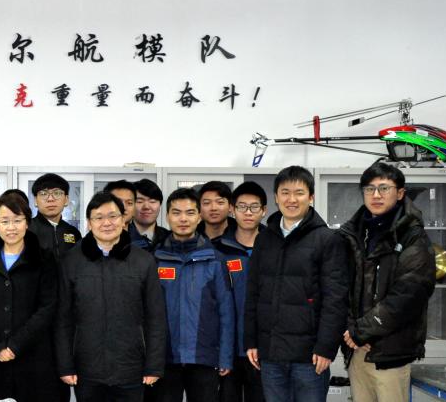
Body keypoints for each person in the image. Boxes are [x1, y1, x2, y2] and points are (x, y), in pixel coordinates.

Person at [244, 166, 348, 402]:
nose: (291, 199)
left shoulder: (327, 239)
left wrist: (326, 347)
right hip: (270, 354)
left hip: (309, 357)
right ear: (276, 197)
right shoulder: (264, 239)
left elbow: (335, 299)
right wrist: (251, 341)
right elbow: (253, 294)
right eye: (285, 192)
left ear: (310, 197)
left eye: (299, 193)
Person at [56, 192, 168, 402]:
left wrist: (154, 366)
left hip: (131, 367)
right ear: (89, 222)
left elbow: (156, 317)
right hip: (87, 368)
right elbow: (63, 318)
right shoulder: (71, 261)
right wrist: (65, 365)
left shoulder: (144, 261)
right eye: (99, 217)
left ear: (124, 219)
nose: (106, 223)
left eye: (113, 216)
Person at [338, 163, 435, 402]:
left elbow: (408, 295)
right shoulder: (352, 234)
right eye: (369, 189)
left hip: (391, 353)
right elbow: (340, 287)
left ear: (400, 193)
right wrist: (351, 331)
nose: (376, 195)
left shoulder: (412, 236)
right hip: (357, 349)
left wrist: (363, 331)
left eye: (384, 188)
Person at [0, 194, 62, 402]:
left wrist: (16, 345)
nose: (11, 227)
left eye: (17, 220)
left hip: (33, 355)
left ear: (27, 223)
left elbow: (47, 307)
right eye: (5, 221)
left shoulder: (44, 259)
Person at [149, 188, 234, 402]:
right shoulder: (154, 259)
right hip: (165, 359)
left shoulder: (215, 259)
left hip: (204, 357)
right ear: (167, 216)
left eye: (189, 212)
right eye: (176, 213)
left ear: (199, 216)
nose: (183, 219)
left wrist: (225, 357)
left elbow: (226, 312)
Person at [216, 182, 268, 402]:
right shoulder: (217, 249)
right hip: (228, 348)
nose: (248, 212)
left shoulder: (274, 248)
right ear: (232, 210)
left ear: (264, 210)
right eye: (242, 207)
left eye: (254, 207)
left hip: (265, 348)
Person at [29, 173, 82, 261]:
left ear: (66, 200)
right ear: (35, 200)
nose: (50, 199)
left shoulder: (73, 232)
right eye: (43, 193)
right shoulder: (26, 230)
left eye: (57, 193)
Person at [132, 179, 169, 251]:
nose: (146, 207)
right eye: (139, 201)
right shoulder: (119, 238)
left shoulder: (171, 238)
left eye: (152, 201)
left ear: (160, 205)